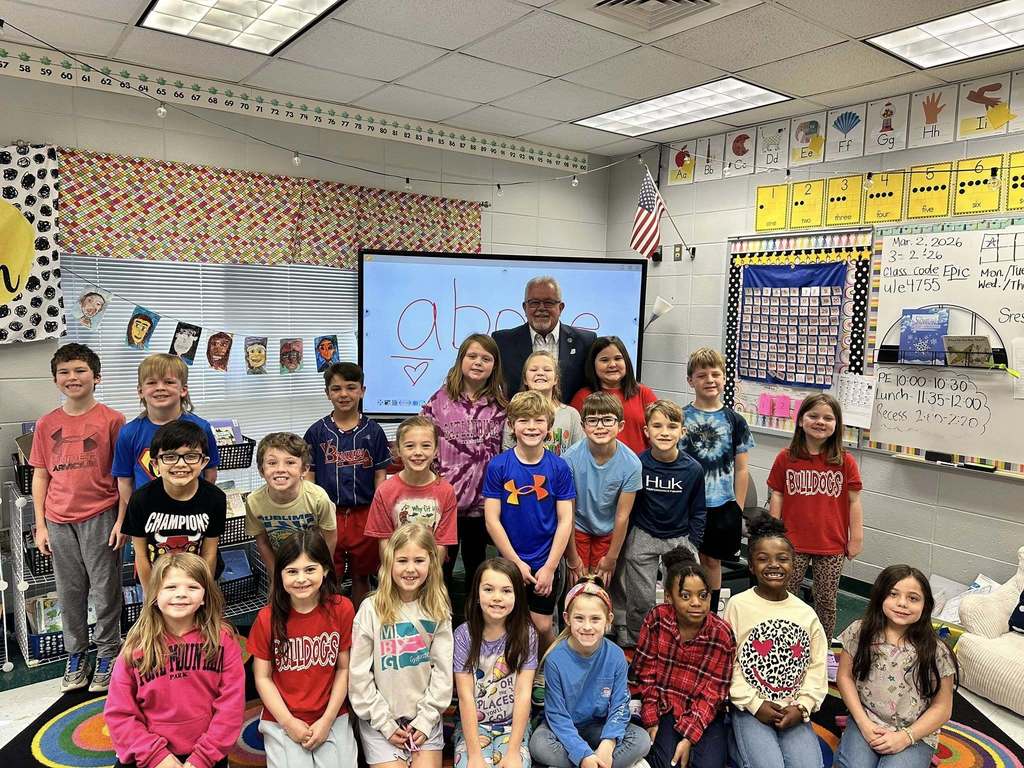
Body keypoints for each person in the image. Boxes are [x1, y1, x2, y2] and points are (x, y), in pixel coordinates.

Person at [30, 343, 126, 692]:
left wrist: (121, 520)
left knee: (105, 590)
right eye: (65, 372)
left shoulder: (113, 420)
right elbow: (41, 475)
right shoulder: (46, 424)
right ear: (56, 380)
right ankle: (76, 654)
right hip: (58, 520)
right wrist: (40, 525)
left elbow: (123, 476)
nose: (73, 377)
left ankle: (107, 653)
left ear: (96, 377)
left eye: (80, 370)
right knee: (70, 592)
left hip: (101, 514)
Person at [104, 553, 245, 768]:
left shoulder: (223, 642)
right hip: (148, 755)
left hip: (205, 754)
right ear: (154, 594)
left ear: (205, 595)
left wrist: (202, 758)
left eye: (192, 587)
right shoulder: (136, 647)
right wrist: (156, 757)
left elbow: (231, 708)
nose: (181, 594)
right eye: (170, 587)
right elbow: (119, 712)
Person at [726, 514, 827, 768]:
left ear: (794, 564)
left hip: (792, 709)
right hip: (751, 709)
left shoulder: (806, 614)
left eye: (782, 559)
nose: (774, 565)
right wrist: (754, 704)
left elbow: (817, 668)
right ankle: (732, 741)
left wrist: (802, 708)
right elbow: (727, 663)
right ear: (751, 566)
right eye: (763, 559)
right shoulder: (737, 606)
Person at [349, 524, 454, 768]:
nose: (410, 569)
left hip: (423, 721)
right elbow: (358, 676)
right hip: (379, 721)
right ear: (389, 563)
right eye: (402, 560)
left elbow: (442, 673)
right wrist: (384, 722)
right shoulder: (370, 609)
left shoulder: (438, 609)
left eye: (419, 560)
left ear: (431, 562)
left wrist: (426, 720)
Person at [251, 531, 357, 768]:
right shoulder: (267, 618)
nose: (301, 579)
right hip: (282, 717)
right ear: (280, 575)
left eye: (310, 569)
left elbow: (343, 668)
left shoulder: (342, 609)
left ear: (326, 570)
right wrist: (288, 722)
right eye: (292, 571)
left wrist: (328, 719)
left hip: (332, 713)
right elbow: (262, 677)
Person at [835, 565, 958, 768]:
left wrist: (906, 737)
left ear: (925, 605)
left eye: (913, 598)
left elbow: (942, 708)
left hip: (915, 731)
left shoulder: (937, 650)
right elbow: (845, 677)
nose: (902, 603)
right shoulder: (860, 631)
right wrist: (864, 724)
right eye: (893, 594)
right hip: (866, 719)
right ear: (880, 596)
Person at [484, 391, 575, 652]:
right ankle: (510, 669)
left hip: (546, 560)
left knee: (542, 625)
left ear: (549, 426)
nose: (531, 427)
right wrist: (514, 561)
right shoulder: (499, 466)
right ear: (512, 425)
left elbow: (565, 520)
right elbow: (492, 520)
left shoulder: (558, 468)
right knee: (507, 620)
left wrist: (549, 567)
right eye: (524, 420)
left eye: (538, 420)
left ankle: (547, 670)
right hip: (510, 560)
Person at [768, 393, 863, 640]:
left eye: (828, 418)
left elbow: (854, 502)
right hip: (791, 542)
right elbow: (777, 495)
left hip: (831, 544)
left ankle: (822, 645)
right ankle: (786, 639)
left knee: (826, 600)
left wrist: (856, 538)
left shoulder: (845, 461)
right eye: (813, 416)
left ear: (836, 425)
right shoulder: (786, 457)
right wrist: (773, 534)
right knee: (785, 593)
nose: (820, 422)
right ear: (800, 421)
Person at [529, 579, 651, 768]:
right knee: (539, 745)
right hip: (563, 729)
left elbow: (620, 705)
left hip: (598, 727)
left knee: (641, 740)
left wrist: (609, 742)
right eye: (579, 618)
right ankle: (592, 763)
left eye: (595, 619)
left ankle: (594, 761)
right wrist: (582, 753)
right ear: (567, 618)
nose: (587, 626)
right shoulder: (555, 660)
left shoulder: (616, 656)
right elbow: (556, 714)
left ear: (609, 620)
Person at [421, 334, 507, 604]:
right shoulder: (439, 401)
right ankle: (440, 622)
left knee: (477, 566)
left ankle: (474, 625)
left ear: (494, 365)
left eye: (486, 358)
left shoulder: (501, 405)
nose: (478, 362)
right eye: (472, 356)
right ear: (461, 360)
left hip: (484, 504)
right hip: (446, 501)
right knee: (440, 567)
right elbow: (425, 446)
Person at [631, 556, 735, 768]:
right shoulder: (657, 619)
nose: (696, 603)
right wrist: (651, 718)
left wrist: (689, 736)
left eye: (703, 595)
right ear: (669, 597)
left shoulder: (722, 634)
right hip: (665, 704)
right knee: (666, 762)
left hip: (705, 712)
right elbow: (645, 673)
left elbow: (714, 694)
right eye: (685, 596)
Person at [304, 361, 392, 608]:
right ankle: (331, 623)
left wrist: (379, 514)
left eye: (351, 388)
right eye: (337, 388)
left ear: (362, 391)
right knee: (328, 574)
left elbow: (380, 477)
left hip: (364, 514)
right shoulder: (316, 432)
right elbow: (309, 477)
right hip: (328, 514)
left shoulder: (373, 431)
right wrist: (314, 514)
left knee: (361, 574)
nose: (344, 394)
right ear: (327, 393)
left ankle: (360, 624)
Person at [620, 400, 705, 647]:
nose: (664, 432)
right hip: (643, 535)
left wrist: (693, 542)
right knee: (641, 598)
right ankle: (640, 643)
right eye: (657, 426)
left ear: (682, 431)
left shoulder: (693, 469)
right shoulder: (637, 464)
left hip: (679, 538)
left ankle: (681, 641)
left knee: (682, 594)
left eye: (672, 426)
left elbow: (698, 510)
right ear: (646, 431)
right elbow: (630, 505)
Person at [680, 347, 754, 614]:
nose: (710, 380)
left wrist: (737, 507)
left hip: (722, 505)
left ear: (724, 378)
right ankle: (684, 609)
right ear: (691, 381)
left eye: (716, 374)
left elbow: (742, 469)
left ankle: (711, 613)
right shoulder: (680, 418)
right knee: (685, 561)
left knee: (712, 562)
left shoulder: (735, 421)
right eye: (702, 375)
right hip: (687, 504)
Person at [122, 420, 226, 597]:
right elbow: (141, 556)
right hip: (157, 582)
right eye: (169, 457)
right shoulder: (140, 500)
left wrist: (202, 594)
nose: (180, 464)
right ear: (155, 464)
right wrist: (151, 599)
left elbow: (210, 553)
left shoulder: (215, 498)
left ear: (203, 462)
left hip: (198, 583)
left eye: (191, 456)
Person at [454, 558, 538, 768]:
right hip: (474, 725)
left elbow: (523, 693)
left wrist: (513, 752)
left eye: (506, 591)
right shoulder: (464, 635)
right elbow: (465, 697)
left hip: (513, 725)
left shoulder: (527, 634)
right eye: (489, 589)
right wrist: (474, 756)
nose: (497, 598)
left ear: (517, 596)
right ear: (476, 594)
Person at [112, 353, 220, 516]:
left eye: (169, 382)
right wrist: (138, 511)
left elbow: (210, 473)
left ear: (183, 389)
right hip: (148, 516)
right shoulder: (129, 433)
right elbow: (124, 481)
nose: (160, 387)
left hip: (192, 513)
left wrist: (198, 504)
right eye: (152, 382)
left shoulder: (201, 428)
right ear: (141, 391)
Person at [562, 392, 642, 587]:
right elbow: (567, 513)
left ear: (620, 425)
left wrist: (612, 557)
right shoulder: (569, 459)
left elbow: (622, 516)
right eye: (592, 420)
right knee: (577, 584)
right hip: (577, 528)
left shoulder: (631, 464)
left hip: (608, 532)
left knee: (599, 585)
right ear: (583, 426)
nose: (600, 426)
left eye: (607, 420)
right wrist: (572, 556)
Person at [365, 415, 457, 561]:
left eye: (426, 446)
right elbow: (384, 542)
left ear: (436, 451)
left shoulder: (446, 491)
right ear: (398, 451)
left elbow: (442, 544)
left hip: (432, 571)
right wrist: (393, 576)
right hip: (395, 571)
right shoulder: (385, 491)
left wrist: (431, 577)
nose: (418, 452)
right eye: (409, 446)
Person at [492, 276, 596, 404]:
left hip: (570, 420)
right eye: (534, 303)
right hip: (520, 420)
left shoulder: (585, 342)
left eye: (549, 302)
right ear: (525, 307)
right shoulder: (502, 342)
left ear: (561, 307)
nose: (541, 308)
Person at [245, 432, 337, 573]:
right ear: (261, 470)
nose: (280, 469)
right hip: (282, 565)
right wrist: (275, 575)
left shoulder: (318, 498)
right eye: (272, 463)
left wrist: (322, 570)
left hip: (313, 563)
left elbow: (330, 537)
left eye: (290, 462)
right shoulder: (254, 502)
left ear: (304, 469)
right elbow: (262, 542)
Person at [570, 336, 655, 455]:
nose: (612, 364)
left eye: (618, 358)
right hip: (597, 468)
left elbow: (656, 433)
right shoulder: (582, 397)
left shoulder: (644, 393)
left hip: (639, 468)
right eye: (604, 360)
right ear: (593, 364)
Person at [501, 350, 584, 456]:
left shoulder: (571, 415)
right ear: (525, 379)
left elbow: (579, 453)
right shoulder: (514, 413)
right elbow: (507, 451)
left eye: (547, 369)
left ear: (556, 380)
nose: (540, 373)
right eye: (533, 369)